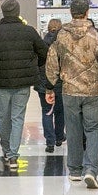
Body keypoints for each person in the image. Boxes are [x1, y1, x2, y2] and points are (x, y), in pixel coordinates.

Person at [45, 0, 98, 189]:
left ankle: (75, 170)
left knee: (73, 129)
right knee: (93, 129)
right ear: (87, 13)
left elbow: (52, 63)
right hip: (93, 92)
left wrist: (50, 86)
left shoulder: (61, 35)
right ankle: (91, 170)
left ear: (70, 13)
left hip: (69, 90)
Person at [0, 0, 47, 169]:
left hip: (1, 83)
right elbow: (44, 52)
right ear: (18, 12)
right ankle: (13, 156)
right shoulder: (29, 31)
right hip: (23, 82)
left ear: (3, 13)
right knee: (17, 117)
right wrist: (34, 64)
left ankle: (6, 149)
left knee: (4, 116)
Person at [35, 18, 65, 153]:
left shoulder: (41, 43)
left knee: (46, 112)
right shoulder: (64, 44)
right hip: (61, 83)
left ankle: (50, 142)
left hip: (43, 83)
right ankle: (59, 137)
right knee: (60, 111)